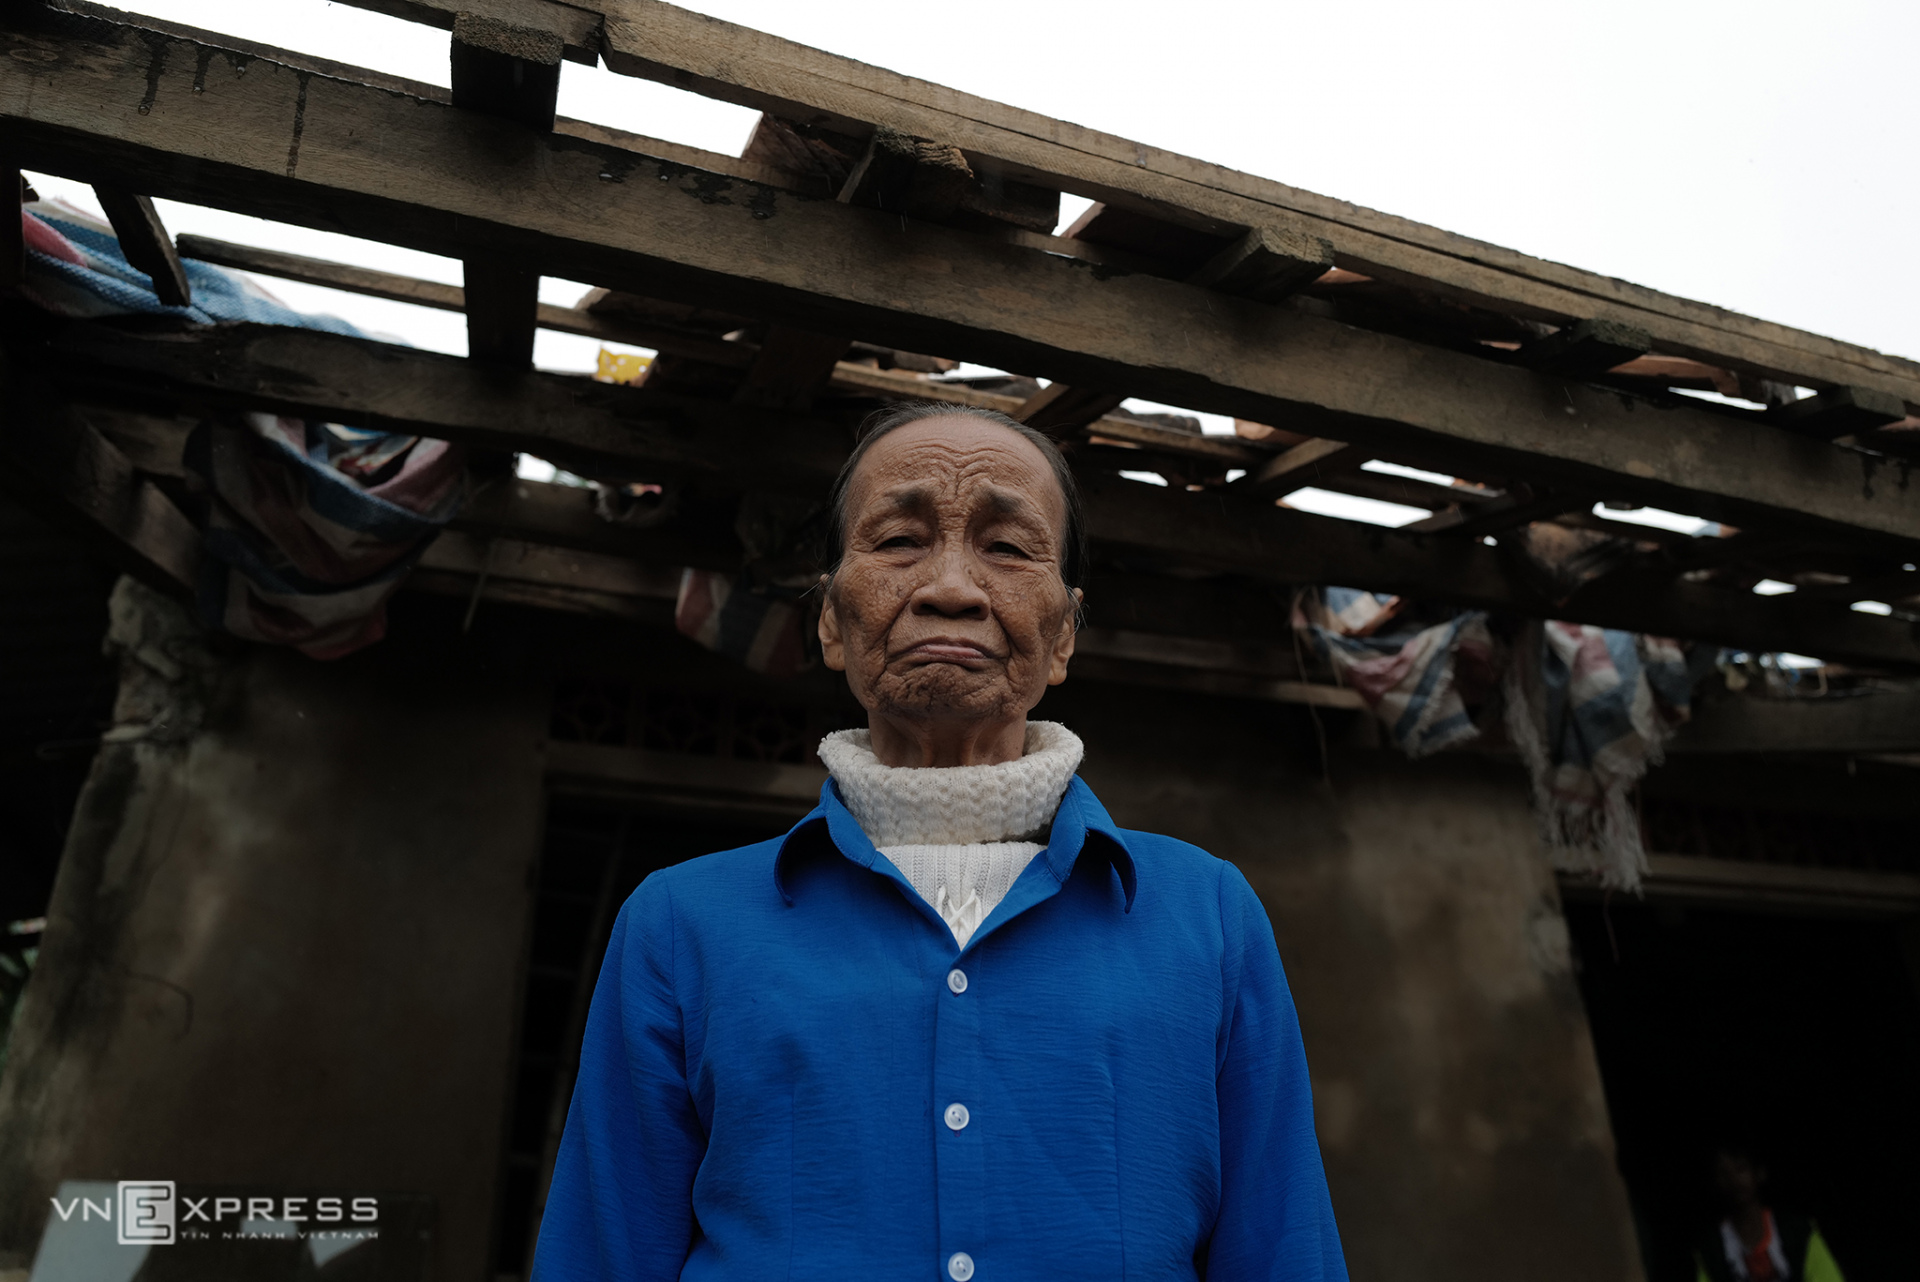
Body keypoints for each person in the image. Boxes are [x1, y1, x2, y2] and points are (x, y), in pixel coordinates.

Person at [533, 403, 1348, 1282]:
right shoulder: (678, 926)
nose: (951, 587)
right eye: (897, 543)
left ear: (1065, 631)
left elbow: (1284, 1253)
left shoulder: (1209, 917)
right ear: (832, 623)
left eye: (1006, 547)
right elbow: (602, 1256)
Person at [1693, 1145, 1843, 1282]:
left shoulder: (1797, 1231)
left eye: (1740, 1169)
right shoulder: (1712, 1248)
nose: (1734, 1180)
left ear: (1759, 1173)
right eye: (1723, 1174)